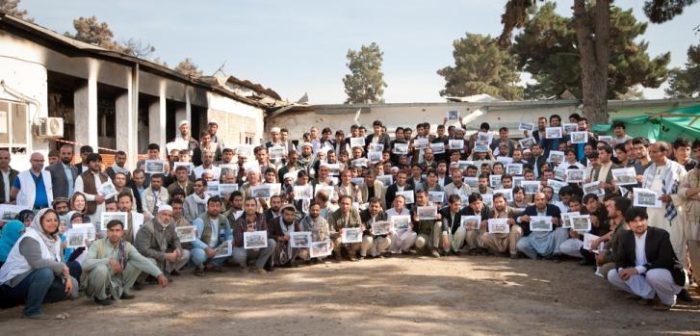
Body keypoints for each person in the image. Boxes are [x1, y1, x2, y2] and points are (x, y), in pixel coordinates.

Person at [0, 209, 78, 319]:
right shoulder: (30, 238)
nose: (53, 223)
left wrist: (67, 278)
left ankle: (33, 298)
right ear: (40, 221)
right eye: (48, 220)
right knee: (45, 273)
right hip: (13, 283)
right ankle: (32, 310)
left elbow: (60, 262)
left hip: (34, 279)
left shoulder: (56, 239)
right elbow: (37, 263)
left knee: (73, 285)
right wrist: (62, 268)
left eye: (55, 220)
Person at [607, 207, 686, 311]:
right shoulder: (625, 236)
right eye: (634, 221)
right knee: (613, 275)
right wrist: (622, 270)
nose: (639, 224)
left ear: (646, 220)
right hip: (642, 275)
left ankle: (668, 301)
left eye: (641, 220)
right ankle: (650, 295)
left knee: (653, 274)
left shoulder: (660, 234)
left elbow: (664, 260)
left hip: (668, 274)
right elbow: (620, 259)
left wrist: (638, 269)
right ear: (628, 224)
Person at [83, 219, 168, 305]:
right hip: (95, 284)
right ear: (107, 232)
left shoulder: (126, 246)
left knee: (144, 262)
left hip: (115, 279)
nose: (114, 233)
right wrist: (107, 261)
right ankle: (100, 297)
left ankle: (122, 291)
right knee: (101, 269)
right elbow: (85, 264)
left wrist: (159, 274)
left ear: (122, 232)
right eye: (111, 230)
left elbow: (141, 259)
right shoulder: (97, 244)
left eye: (117, 230)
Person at [641, 142, 688, 266]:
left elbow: (685, 192)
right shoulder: (648, 171)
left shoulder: (678, 169)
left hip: (672, 214)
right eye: (650, 152)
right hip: (652, 215)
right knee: (654, 244)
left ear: (665, 152)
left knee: (675, 243)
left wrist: (671, 197)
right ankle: (656, 272)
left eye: (655, 152)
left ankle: (680, 277)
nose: (651, 155)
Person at [135, 205, 190, 277]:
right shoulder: (147, 228)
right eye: (164, 214)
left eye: (170, 216)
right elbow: (144, 250)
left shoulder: (171, 224)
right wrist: (165, 256)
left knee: (185, 253)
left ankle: (164, 273)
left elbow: (175, 239)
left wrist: (177, 248)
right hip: (151, 256)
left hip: (163, 253)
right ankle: (149, 277)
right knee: (151, 262)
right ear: (158, 215)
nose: (167, 218)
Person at [515, 192, 566, 259]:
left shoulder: (554, 208)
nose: (540, 202)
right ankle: (537, 256)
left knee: (563, 230)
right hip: (534, 237)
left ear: (546, 200)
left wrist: (558, 221)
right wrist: (521, 218)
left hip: (549, 236)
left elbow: (562, 222)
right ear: (534, 201)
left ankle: (556, 254)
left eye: (542, 199)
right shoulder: (529, 209)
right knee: (520, 245)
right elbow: (516, 219)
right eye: (537, 200)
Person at [232, 197, 276, 273]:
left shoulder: (261, 217)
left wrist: (258, 242)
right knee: (238, 255)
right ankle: (244, 266)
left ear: (256, 207)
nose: (250, 207)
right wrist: (246, 233)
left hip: (258, 247)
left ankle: (258, 267)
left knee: (272, 243)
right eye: (247, 205)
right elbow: (238, 241)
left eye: (252, 205)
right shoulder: (239, 220)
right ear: (244, 207)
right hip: (245, 248)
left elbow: (266, 234)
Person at [191, 196, 232, 275]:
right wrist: (206, 248)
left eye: (217, 206)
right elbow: (194, 239)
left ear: (221, 207)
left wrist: (230, 241)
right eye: (212, 206)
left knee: (231, 246)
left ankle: (212, 265)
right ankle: (199, 267)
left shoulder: (224, 219)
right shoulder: (200, 220)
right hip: (203, 249)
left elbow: (229, 234)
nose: (215, 208)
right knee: (199, 255)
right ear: (207, 207)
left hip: (217, 248)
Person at [480, 193, 523, 258]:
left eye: (500, 202)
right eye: (496, 202)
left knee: (516, 228)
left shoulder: (512, 211)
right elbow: (489, 228)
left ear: (505, 202)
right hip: (497, 238)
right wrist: (493, 218)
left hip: (508, 238)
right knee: (484, 236)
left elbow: (523, 216)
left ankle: (513, 253)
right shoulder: (491, 212)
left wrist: (515, 220)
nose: (498, 204)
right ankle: (500, 252)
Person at [74, 153, 111, 224]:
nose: (97, 163)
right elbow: (77, 194)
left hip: (104, 212)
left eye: (99, 161)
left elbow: (110, 191)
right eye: (94, 161)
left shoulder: (106, 177)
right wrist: (94, 198)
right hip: (89, 213)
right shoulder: (81, 177)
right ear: (88, 163)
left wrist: (104, 197)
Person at [329, 195, 363, 261]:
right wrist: (337, 233)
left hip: (351, 235)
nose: (345, 206)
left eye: (347, 204)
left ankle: (352, 254)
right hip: (340, 236)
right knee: (337, 240)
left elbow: (359, 225)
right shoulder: (334, 215)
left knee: (359, 239)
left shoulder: (355, 212)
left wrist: (361, 228)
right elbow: (330, 232)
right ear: (339, 204)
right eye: (343, 203)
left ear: (351, 205)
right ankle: (338, 255)